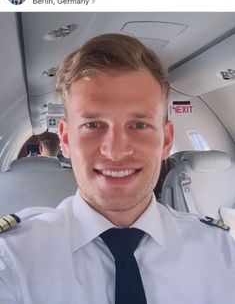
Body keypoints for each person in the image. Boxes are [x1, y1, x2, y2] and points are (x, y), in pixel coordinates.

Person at [0, 34, 234, 303]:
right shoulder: (13, 260)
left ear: (166, 140)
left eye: (139, 125)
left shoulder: (221, 253)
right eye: (93, 125)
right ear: (65, 138)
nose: (115, 151)